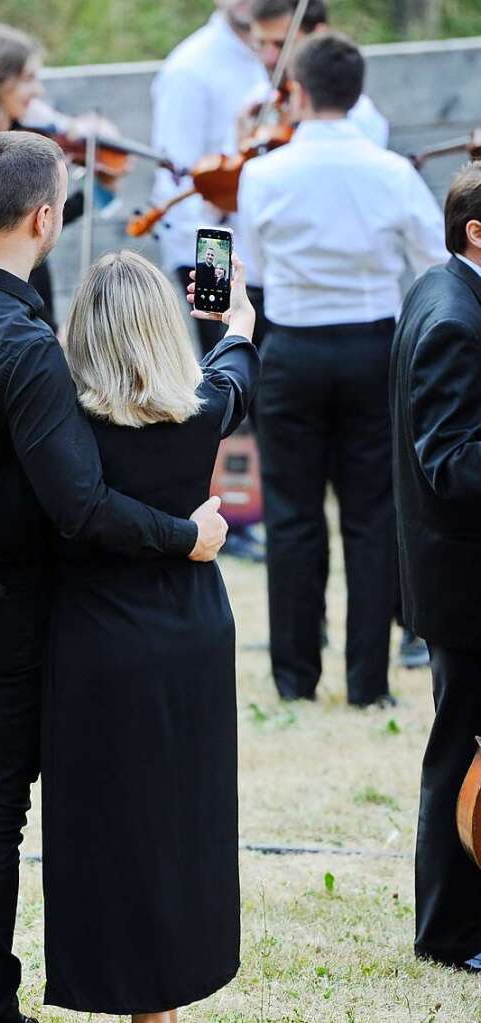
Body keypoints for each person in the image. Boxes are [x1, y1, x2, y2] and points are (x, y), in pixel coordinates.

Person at [0, 131, 227, 1023]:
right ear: (45, 216)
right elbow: (80, 507)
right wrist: (183, 536)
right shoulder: (28, 346)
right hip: (1, 599)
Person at [238, 32, 446, 705]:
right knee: (372, 515)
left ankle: (295, 680)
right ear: (357, 96)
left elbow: (259, 272)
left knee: (293, 517)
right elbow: (431, 260)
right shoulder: (390, 171)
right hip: (371, 348)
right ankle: (367, 683)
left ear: (294, 92)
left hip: (291, 349)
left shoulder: (260, 173)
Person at [390, 161, 481, 972]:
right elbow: (449, 459)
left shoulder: (441, 288)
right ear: (475, 233)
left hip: (455, 570)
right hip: (464, 580)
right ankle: (449, 934)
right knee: (457, 752)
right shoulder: (453, 317)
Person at [0, 23, 84, 331]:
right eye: (28, 79)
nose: (38, 91)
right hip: (11, 304)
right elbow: (26, 225)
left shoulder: (18, 136)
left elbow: (37, 216)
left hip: (26, 292)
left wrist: (93, 193)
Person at [151, 0, 268, 358]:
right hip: (214, 249)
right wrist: (212, 277)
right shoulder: (189, 67)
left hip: (267, 251)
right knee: (228, 377)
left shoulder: (280, 55)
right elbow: (180, 179)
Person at [238, 0, 388, 150]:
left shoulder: (356, 115)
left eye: (281, 44)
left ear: (319, 35)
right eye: (260, 43)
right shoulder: (257, 99)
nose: (268, 57)